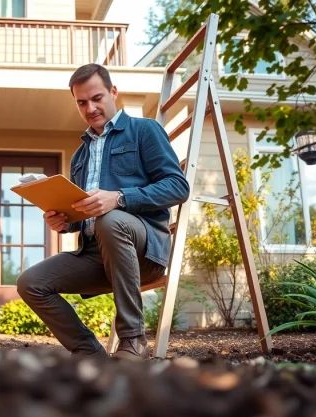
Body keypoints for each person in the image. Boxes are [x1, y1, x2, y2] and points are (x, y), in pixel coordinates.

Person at [16, 63, 190, 361]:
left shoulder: (144, 131)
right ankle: (90, 353)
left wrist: (119, 198)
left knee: (111, 220)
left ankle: (133, 340)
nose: (90, 107)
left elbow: (178, 187)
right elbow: (83, 212)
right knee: (30, 283)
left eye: (97, 98)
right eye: (82, 102)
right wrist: (63, 221)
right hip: (96, 254)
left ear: (113, 92)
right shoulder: (80, 156)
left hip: (143, 251)